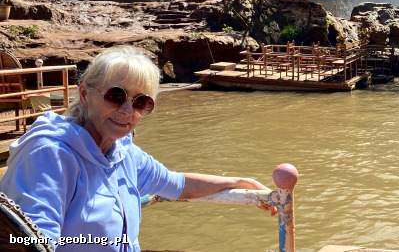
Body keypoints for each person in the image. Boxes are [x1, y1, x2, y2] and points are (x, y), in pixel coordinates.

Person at [0, 46, 273, 251]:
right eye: (115, 96)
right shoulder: (49, 156)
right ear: (84, 95)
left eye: (141, 102)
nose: (128, 111)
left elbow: (176, 184)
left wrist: (236, 182)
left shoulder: (123, 153)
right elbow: (30, 242)